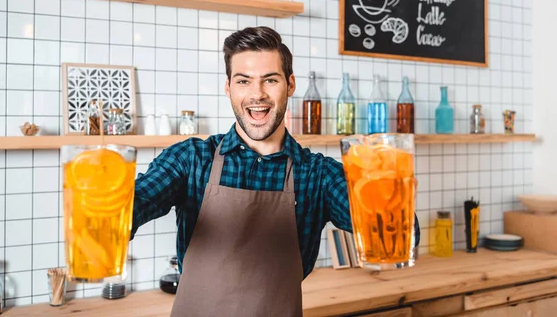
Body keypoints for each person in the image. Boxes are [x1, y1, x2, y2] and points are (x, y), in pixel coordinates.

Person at [131, 26, 419, 316]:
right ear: (228, 87)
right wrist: (100, 208)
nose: (257, 94)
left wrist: (388, 187)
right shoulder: (191, 160)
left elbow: (398, 236)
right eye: (244, 81)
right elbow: (137, 202)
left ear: (290, 85)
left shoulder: (318, 175)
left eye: (270, 80)